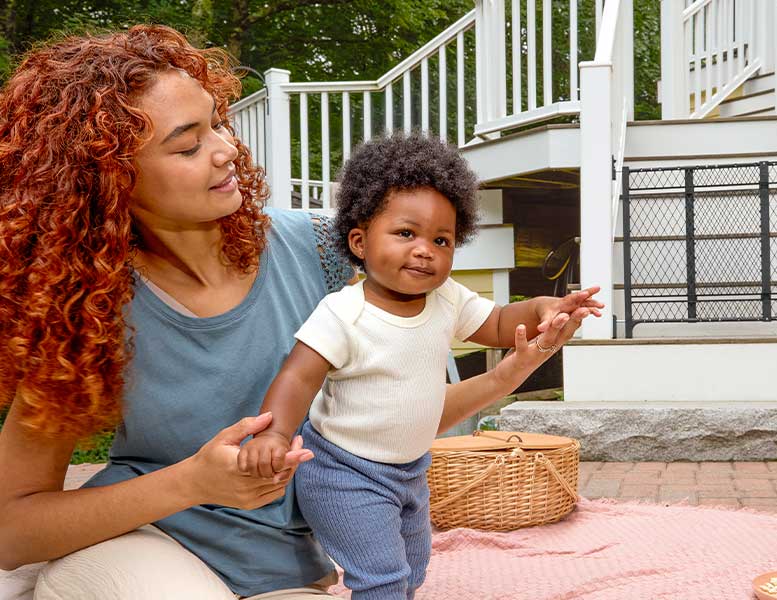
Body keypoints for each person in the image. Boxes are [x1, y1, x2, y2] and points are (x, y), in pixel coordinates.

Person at [0, 25, 593, 600]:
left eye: (218, 125)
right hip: (144, 544)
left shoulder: (324, 253)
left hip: (290, 570)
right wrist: (193, 482)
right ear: (105, 179)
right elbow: (12, 529)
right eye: (188, 144)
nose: (227, 150)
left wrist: (505, 376)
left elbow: (392, 419)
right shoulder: (81, 307)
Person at [236, 134, 602, 600]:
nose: (425, 249)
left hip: (409, 470)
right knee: (382, 579)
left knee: (412, 571)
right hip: (344, 473)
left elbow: (497, 324)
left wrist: (543, 307)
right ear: (360, 241)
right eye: (406, 233)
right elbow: (297, 376)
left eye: (442, 239)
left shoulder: (446, 299)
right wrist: (273, 434)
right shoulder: (343, 313)